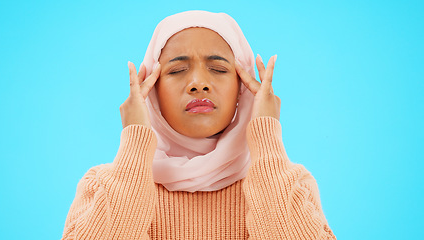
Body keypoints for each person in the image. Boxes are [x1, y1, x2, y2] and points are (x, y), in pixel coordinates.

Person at [61, 10, 337, 239]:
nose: (198, 83)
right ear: (153, 91)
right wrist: (135, 140)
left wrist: (266, 136)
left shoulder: (290, 183)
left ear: (242, 89)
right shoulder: (102, 185)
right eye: (177, 70)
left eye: (218, 69)